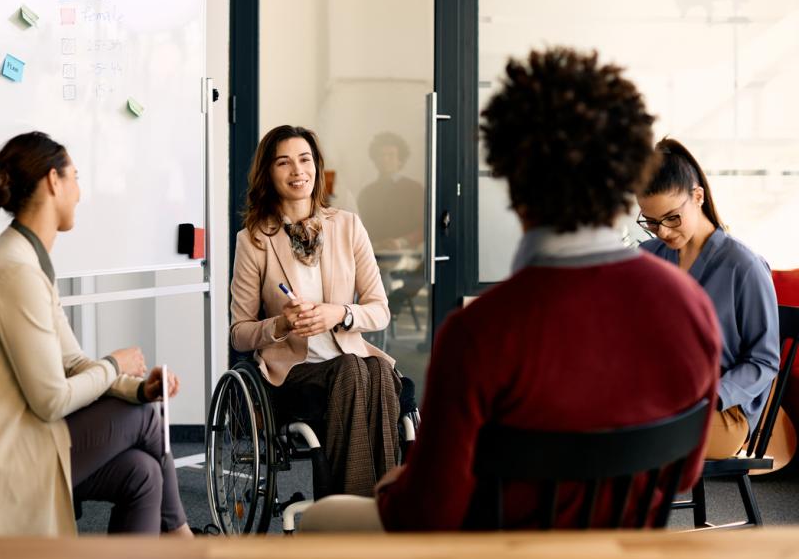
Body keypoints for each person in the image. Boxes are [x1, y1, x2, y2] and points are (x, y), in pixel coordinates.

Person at [302, 47, 722, 532]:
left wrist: (393, 485)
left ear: (512, 181)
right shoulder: (690, 305)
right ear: (626, 177)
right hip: (621, 554)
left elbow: (427, 512)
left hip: (500, 554)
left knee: (320, 519)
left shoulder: (478, 333)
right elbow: (686, 470)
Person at [0, 132, 190, 536]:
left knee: (142, 472)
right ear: (53, 181)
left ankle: (175, 542)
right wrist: (115, 366)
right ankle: (185, 541)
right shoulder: (15, 271)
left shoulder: (29, 261)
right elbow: (50, 400)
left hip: (16, 443)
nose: (80, 192)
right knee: (147, 420)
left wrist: (136, 387)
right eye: (75, 177)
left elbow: (74, 363)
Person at [230, 124, 399, 497]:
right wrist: (280, 324)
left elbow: (379, 310)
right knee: (355, 371)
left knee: (377, 371)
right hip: (293, 370)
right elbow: (239, 331)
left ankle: (372, 506)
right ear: (268, 174)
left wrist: (338, 313)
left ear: (317, 167)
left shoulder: (348, 226)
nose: (297, 171)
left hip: (349, 357)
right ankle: (356, 511)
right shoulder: (254, 240)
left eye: (305, 160)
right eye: (284, 163)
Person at [637, 138, 779, 459]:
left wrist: (711, 396)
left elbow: (764, 361)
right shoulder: (648, 258)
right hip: (660, 401)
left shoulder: (744, 266)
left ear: (697, 196)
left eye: (672, 218)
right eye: (651, 221)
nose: (662, 232)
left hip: (721, 412)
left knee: (623, 436)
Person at [356, 132, 424, 251]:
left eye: (391, 155)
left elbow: (425, 226)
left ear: (400, 160)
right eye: (381, 155)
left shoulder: (414, 189)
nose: (385, 159)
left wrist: (401, 242)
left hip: (408, 257)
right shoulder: (366, 193)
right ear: (375, 160)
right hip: (374, 255)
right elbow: (362, 228)